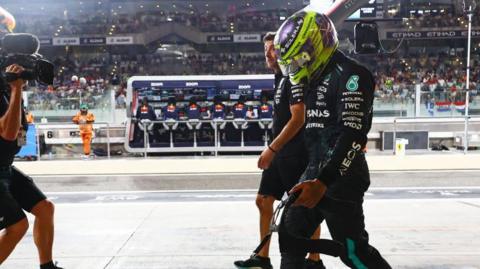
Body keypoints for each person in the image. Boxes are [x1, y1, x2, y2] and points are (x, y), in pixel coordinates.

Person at [274, 11, 391, 269]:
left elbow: (352, 134)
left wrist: (324, 181)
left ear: (314, 47)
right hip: (313, 173)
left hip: (342, 179)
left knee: (353, 252)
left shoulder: (353, 75)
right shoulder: (311, 78)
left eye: (298, 59)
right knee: (290, 239)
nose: (296, 67)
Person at [234, 32, 325, 269]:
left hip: (295, 153)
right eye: (265, 49)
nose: (267, 54)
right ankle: (262, 258)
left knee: (306, 205)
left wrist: (272, 149)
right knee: (263, 201)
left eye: (272, 49)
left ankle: (314, 260)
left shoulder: (294, 76)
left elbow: (298, 118)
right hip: (280, 152)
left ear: (284, 50)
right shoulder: (280, 77)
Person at [0, 65, 63, 268]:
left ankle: (47, 267)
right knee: (17, 225)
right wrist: (17, 88)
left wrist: (15, 89)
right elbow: (9, 133)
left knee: (45, 209)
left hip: (4, 166)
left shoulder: (6, 93)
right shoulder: (10, 91)